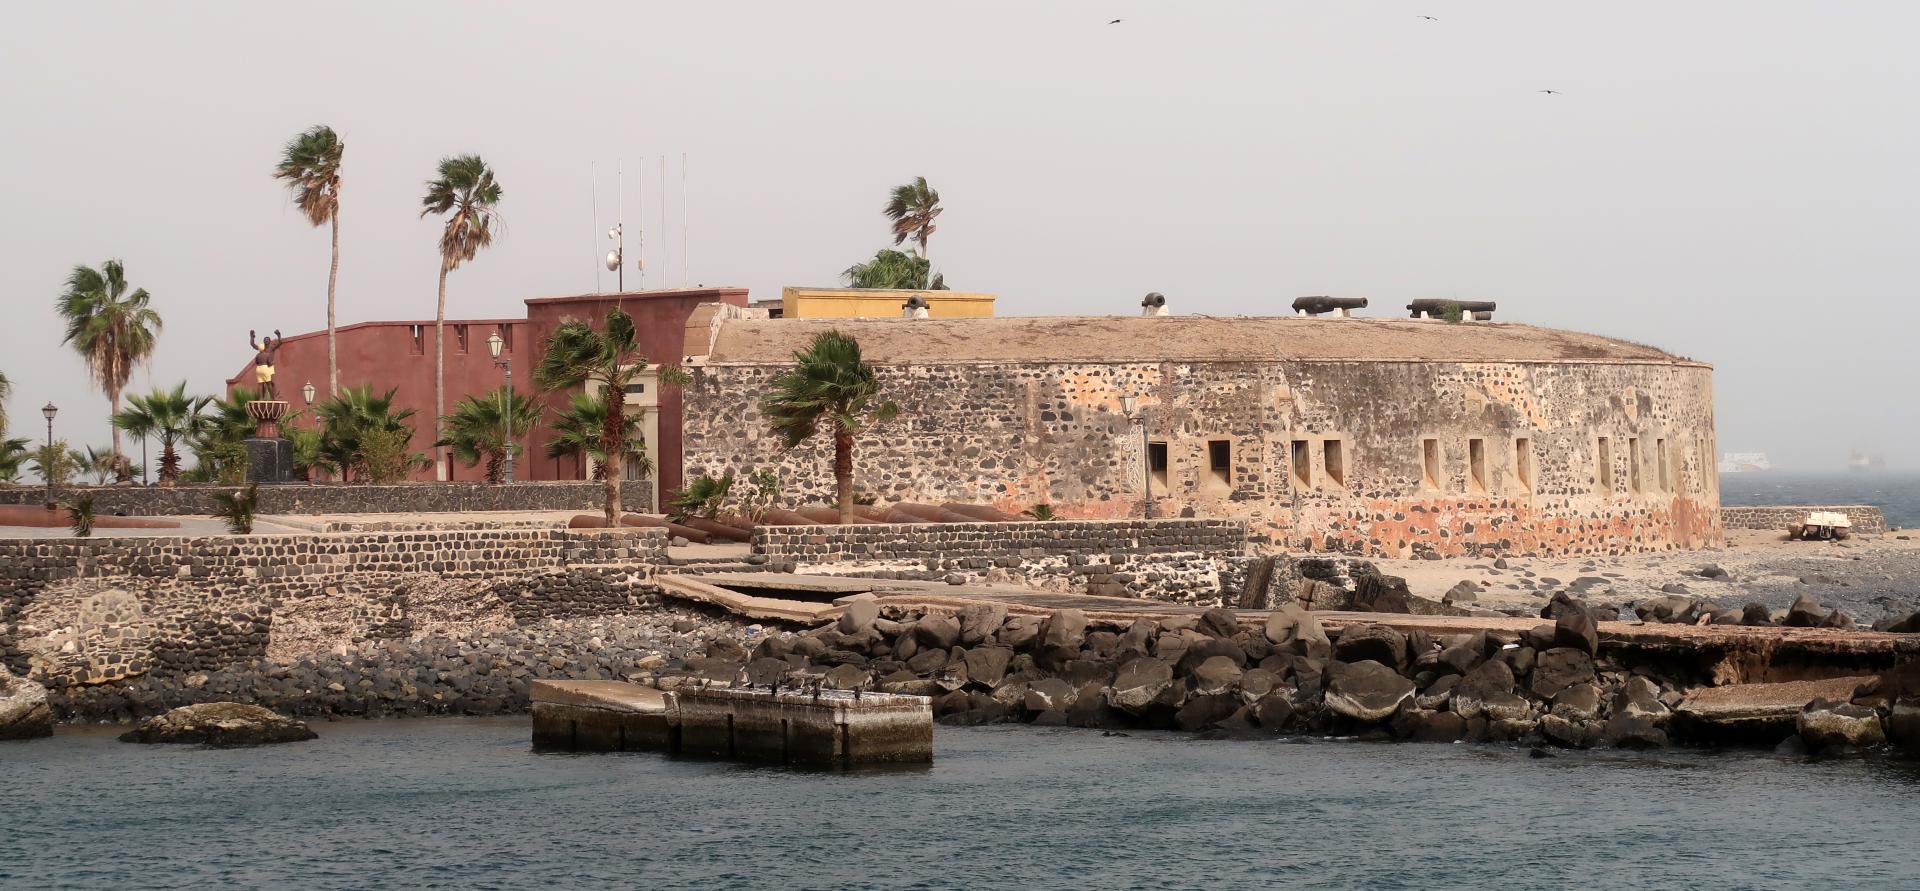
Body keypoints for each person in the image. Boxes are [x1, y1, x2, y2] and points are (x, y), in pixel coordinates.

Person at [249, 329, 283, 400]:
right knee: (262, 383)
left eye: (267, 340)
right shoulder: (262, 348)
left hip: (270, 366)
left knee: (271, 382)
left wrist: (279, 335)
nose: (266, 341)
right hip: (264, 366)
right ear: (263, 341)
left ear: (270, 341)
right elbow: (252, 344)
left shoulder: (272, 347)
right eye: (265, 340)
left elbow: (280, 343)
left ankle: (274, 397)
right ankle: (262, 397)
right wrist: (252, 337)